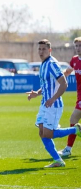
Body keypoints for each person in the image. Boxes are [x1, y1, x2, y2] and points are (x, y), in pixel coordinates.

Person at [26, 39, 81, 168]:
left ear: (49, 50)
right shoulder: (43, 64)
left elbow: (64, 83)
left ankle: (75, 129)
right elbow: (47, 85)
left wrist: (53, 98)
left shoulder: (52, 64)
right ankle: (58, 160)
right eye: (39, 49)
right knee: (41, 132)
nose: (41, 51)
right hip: (44, 104)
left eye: (44, 49)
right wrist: (37, 93)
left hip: (53, 105)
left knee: (49, 134)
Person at [59, 37, 81, 157]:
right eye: (76, 46)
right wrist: (59, 78)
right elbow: (67, 72)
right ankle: (68, 149)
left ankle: (67, 149)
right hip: (79, 96)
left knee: (73, 120)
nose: (78, 48)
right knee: (73, 121)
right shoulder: (74, 60)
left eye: (80, 46)